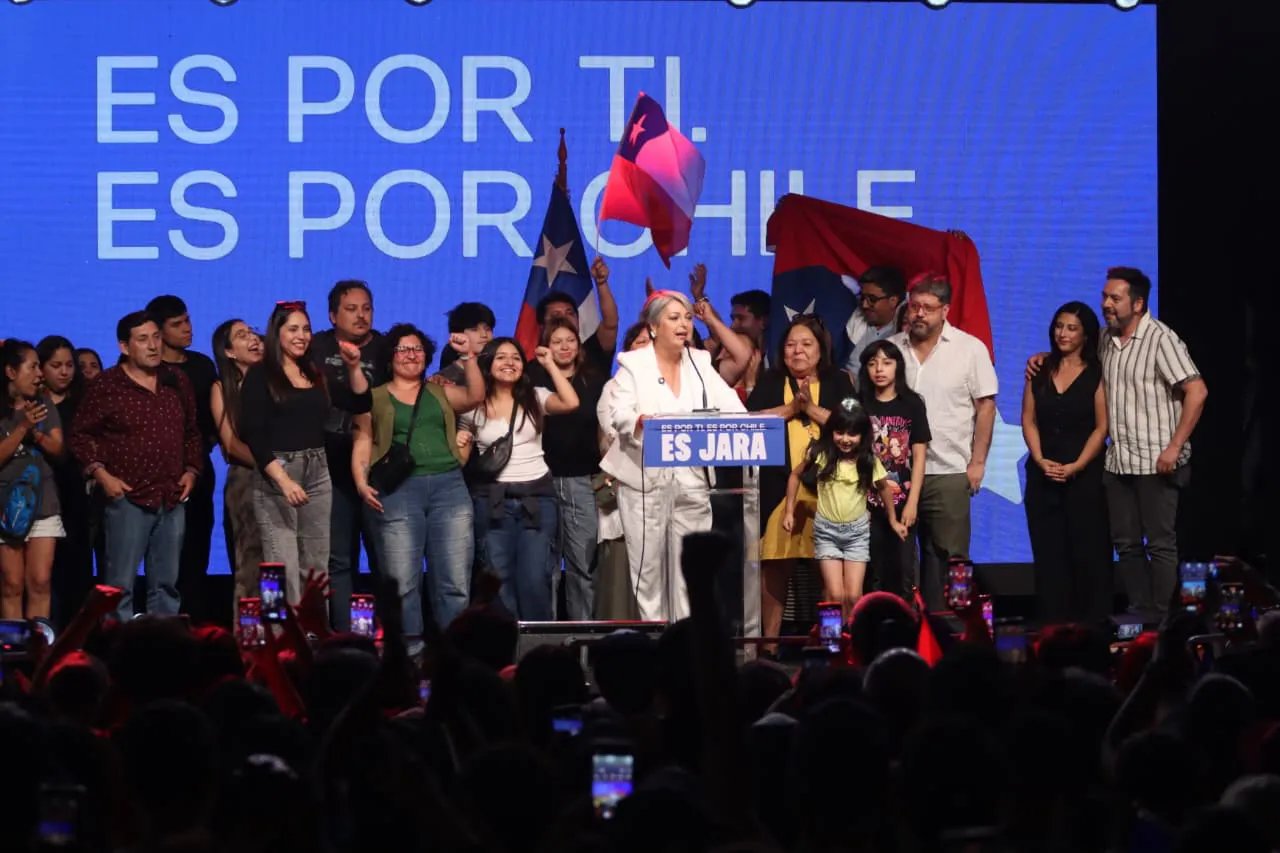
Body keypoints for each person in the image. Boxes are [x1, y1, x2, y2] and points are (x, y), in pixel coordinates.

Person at [604, 291, 747, 622]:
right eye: (674, 318)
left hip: (692, 481)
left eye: (687, 318)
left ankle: (687, 638)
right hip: (644, 481)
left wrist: (741, 424)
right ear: (653, 327)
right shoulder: (634, 364)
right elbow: (619, 414)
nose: (683, 324)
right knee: (649, 573)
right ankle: (657, 638)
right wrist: (640, 421)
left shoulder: (700, 363)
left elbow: (734, 409)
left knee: (691, 572)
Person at [352, 324, 484, 651]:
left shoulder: (439, 390)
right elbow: (363, 441)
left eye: (417, 349)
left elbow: (475, 396)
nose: (411, 355)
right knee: (403, 584)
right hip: (400, 491)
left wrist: (469, 357)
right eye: (403, 349)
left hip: (449, 488)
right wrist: (360, 482)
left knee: (454, 582)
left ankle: (454, 654)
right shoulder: (375, 397)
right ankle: (409, 656)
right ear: (390, 357)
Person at [69, 312, 204, 619]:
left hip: (171, 495)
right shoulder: (107, 385)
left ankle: (164, 640)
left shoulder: (176, 380)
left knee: (166, 584)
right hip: (127, 496)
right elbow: (80, 435)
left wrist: (192, 471)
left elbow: (192, 432)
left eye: (156, 337)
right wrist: (102, 475)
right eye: (143, 339)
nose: (153, 346)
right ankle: (117, 643)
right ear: (124, 346)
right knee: (119, 586)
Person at [239, 301, 371, 605]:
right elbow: (253, 434)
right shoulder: (260, 375)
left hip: (317, 470)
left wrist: (353, 367)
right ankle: (279, 630)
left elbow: (360, 403)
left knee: (316, 565)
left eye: (306, 329)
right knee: (279, 567)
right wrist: (284, 481)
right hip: (278, 474)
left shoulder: (314, 372)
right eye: (293, 329)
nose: (302, 336)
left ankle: (315, 628)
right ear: (277, 333)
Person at [887, 274, 998, 610]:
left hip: (949, 470)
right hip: (898, 474)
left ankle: (958, 623)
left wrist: (977, 462)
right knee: (900, 559)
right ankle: (910, 624)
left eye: (928, 308)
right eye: (914, 306)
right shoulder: (891, 350)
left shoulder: (969, 349)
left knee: (952, 558)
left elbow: (985, 406)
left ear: (945, 310)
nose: (919, 314)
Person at [745, 315, 855, 651]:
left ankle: (833, 643)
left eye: (806, 344)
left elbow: (852, 424)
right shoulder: (771, 380)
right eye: (791, 345)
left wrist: (813, 409)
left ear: (821, 350)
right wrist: (792, 407)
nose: (798, 351)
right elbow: (749, 420)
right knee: (774, 564)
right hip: (780, 487)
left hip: (831, 489)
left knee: (830, 568)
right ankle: (769, 646)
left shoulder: (838, 381)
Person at [458, 338, 579, 621]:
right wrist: (459, 440)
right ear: (489, 364)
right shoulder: (474, 404)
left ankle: (537, 643)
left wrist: (549, 364)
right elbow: (460, 460)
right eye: (501, 357)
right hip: (492, 500)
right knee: (498, 581)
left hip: (537, 499)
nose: (509, 363)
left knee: (534, 579)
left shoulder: (535, 396)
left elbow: (571, 402)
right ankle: (506, 643)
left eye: (515, 358)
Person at [1020, 302, 1112, 623]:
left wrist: (1077, 466)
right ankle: (1052, 630)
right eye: (1059, 326)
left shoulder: (1097, 372)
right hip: (1042, 476)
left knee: (1087, 556)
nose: (1063, 333)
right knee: (1049, 558)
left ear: (1086, 335)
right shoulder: (1038, 369)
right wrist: (1040, 459)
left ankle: (1090, 630)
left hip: (1085, 479)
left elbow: (1102, 427)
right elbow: (1028, 419)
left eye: (1072, 328)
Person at [782, 401, 904, 622]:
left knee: (854, 596)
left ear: (862, 435)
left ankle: (853, 637)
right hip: (827, 532)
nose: (845, 439)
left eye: (852, 434)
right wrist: (789, 511)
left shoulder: (867, 461)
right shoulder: (820, 454)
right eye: (840, 432)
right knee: (835, 596)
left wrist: (893, 520)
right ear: (831, 431)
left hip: (857, 534)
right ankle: (835, 638)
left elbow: (884, 488)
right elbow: (795, 476)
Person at [311, 280, 381, 631]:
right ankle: (343, 637)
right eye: (351, 309)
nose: (360, 316)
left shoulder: (386, 348)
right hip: (328, 471)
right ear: (332, 315)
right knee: (339, 561)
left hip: (378, 470)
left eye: (366, 308)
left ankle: (388, 638)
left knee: (386, 560)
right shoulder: (314, 346)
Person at [146, 295, 220, 621]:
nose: (187, 328)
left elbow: (214, 418)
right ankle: (159, 624)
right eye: (177, 324)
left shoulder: (202, 366)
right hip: (155, 474)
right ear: (159, 331)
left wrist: (201, 452)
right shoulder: (148, 369)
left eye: (187, 320)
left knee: (197, 549)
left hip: (198, 470)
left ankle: (195, 624)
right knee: (160, 554)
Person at [530, 316, 608, 621]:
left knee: (583, 565)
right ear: (545, 347)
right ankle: (544, 635)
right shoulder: (534, 378)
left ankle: (584, 636)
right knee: (545, 567)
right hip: (542, 482)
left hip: (583, 480)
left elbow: (604, 429)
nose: (564, 347)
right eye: (557, 341)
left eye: (570, 340)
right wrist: (548, 366)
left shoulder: (594, 378)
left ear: (579, 344)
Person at [858, 339, 931, 600]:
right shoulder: (859, 404)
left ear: (897, 366)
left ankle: (908, 622)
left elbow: (919, 457)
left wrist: (912, 503)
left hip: (903, 501)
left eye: (886, 363)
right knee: (873, 574)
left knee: (904, 573)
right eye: (872, 363)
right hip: (866, 503)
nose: (879, 369)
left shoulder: (911, 404)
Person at [0, 339, 66, 620]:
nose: (40, 374)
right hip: (5, 506)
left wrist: (36, 433)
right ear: (11, 372)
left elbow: (58, 449)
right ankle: (12, 642)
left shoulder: (44, 404)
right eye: (33, 367)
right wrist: (23, 427)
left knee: (40, 580)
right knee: (11, 584)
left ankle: (39, 641)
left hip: (43, 502)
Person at [37, 335, 94, 625]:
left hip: (76, 497)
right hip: (40, 495)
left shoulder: (86, 403)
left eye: (69, 365)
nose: (64, 372)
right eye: (55, 365)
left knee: (77, 572)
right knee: (42, 576)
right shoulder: (33, 406)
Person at [594, 322, 649, 621]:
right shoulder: (614, 387)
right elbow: (615, 435)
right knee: (622, 580)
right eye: (640, 342)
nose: (647, 348)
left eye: (651, 342)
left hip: (669, 496)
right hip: (627, 486)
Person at [210, 319, 265, 613]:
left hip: (292, 479)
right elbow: (230, 444)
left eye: (253, 332)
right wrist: (272, 467)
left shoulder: (280, 381)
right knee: (251, 561)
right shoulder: (223, 388)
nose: (253, 338)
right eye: (242, 336)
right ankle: (251, 632)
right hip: (249, 480)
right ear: (229, 352)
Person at [534, 255, 619, 374]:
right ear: (542, 325)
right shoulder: (532, 370)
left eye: (570, 313)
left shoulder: (592, 353)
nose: (564, 318)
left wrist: (601, 284)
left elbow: (610, 323)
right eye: (556, 315)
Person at [844, 266, 909, 381]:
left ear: (893, 301)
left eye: (872, 299)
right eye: (863, 297)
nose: (864, 305)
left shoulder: (903, 331)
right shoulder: (856, 320)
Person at [435, 301, 495, 385]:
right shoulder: (442, 380)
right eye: (474, 330)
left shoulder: (498, 372)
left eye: (488, 329)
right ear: (456, 335)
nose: (484, 335)